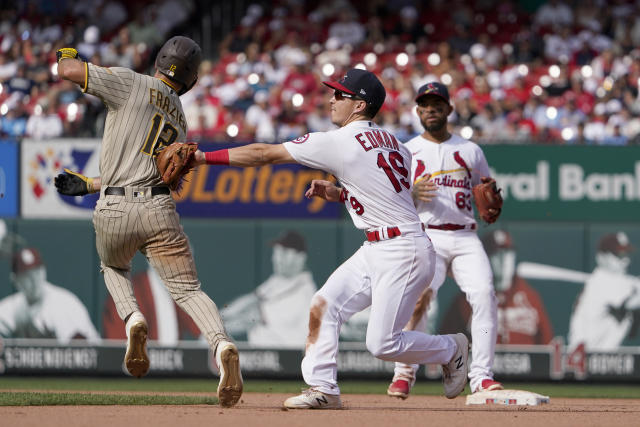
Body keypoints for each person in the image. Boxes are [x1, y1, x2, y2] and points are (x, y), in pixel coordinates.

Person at [191, 68, 469, 409]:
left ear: (360, 104)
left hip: (402, 250)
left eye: (340, 94)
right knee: (324, 303)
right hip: (383, 245)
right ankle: (323, 388)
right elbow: (384, 195)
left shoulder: (338, 141)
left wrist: (203, 156)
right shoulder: (397, 144)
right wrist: (340, 194)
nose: (332, 99)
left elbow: (264, 154)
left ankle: (451, 349)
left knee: (382, 345)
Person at [53, 36, 242, 407]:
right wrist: (91, 183)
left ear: (158, 60)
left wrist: (66, 51)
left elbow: (67, 71)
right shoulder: (180, 118)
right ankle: (222, 345)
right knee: (188, 291)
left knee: (112, 266)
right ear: (191, 81)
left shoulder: (130, 81)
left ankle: (134, 318)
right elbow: (150, 171)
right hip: (159, 210)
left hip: (114, 206)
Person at [387, 82, 501, 400]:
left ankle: (481, 377)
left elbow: (486, 189)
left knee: (484, 295)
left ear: (449, 109)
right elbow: (389, 197)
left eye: (437, 104)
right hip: (427, 235)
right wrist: (408, 193)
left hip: (465, 235)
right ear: (417, 111)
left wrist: (490, 196)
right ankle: (404, 373)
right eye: (425, 104)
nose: (431, 109)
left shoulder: (470, 150)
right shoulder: (406, 150)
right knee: (419, 298)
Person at [440, 230, 554, 346]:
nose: (503, 260)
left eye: (508, 253)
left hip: (527, 364)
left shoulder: (530, 298)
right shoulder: (466, 300)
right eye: (496, 254)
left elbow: (547, 347)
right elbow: (446, 347)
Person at [222, 230, 317, 347]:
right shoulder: (279, 279)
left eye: (284, 253)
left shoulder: (305, 293)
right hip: (265, 357)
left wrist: (214, 328)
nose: (277, 259)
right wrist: (220, 316)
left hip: (290, 359)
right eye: (276, 253)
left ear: (301, 258)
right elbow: (251, 299)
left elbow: (252, 317)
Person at [0, 247, 100, 342]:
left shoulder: (66, 304)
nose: (34, 280)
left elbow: (91, 350)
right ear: (15, 280)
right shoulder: (9, 308)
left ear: (44, 270)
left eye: (37, 272)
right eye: (27, 276)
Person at [568, 232, 640, 351]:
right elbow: (635, 300)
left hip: (597, 357)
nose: (625, 260)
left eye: (627, 254)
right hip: (586, 358)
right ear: (602, 258)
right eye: (619, 255)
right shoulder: (603, 281)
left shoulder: (610, 280)